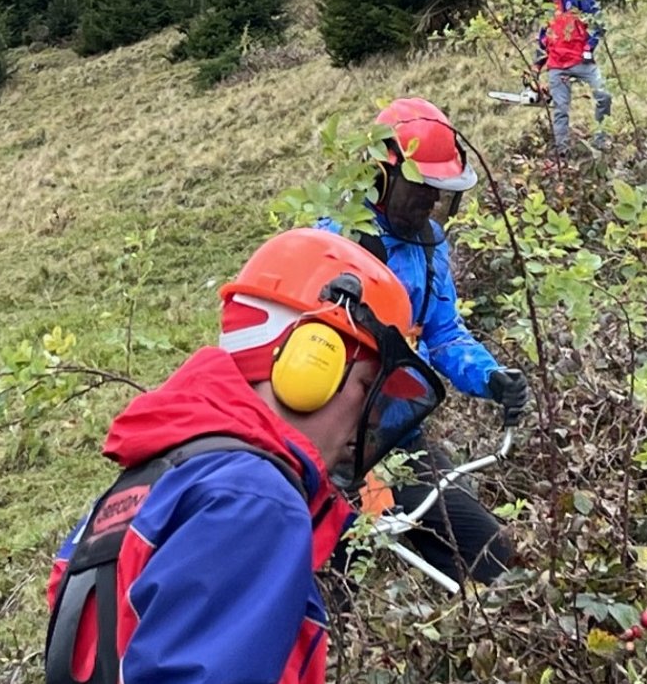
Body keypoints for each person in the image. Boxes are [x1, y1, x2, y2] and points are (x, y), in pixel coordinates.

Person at [45, 229, 443, 684]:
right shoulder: (254, 500)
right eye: (367, 387)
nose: (369, 422)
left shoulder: (150, 483)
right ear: (313, 361)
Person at [321, 97, 527, 586]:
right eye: (423, 189)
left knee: (490, 556)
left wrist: (490, 377)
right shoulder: (333, 246)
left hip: (396, 434)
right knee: (337, 580)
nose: (432, 203)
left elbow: (443, 333)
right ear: (382, 176)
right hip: (325, 448)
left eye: (441, 192)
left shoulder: (429, 245)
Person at [535, 0, 613, 154]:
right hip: (557, 65)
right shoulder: (549, 7)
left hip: (582, 61)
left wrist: (589, 48)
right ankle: (562, 152)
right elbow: (544, 38)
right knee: (560, 109)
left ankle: (600, 138)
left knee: (603, 96)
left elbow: (599, 22)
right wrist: (537, 65)